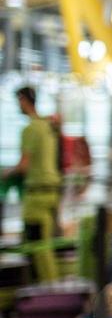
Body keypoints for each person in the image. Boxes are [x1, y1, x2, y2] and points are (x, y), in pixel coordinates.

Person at [6, 87, 61, 283]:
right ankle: (52, 290)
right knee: (46, 247)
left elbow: (23, 166)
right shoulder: (48, 126)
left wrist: (4, 174)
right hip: (52, 194)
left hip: (36, 197)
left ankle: (46, 295)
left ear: (23, 100)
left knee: (38, 249)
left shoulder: (29, 129)